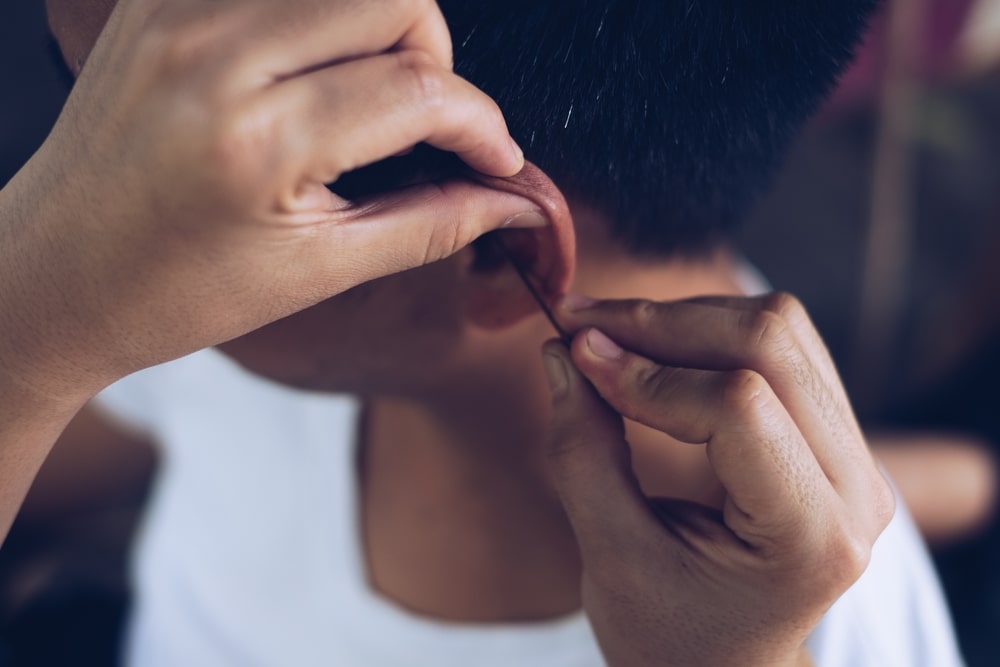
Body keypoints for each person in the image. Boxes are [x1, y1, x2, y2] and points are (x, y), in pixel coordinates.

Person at [0, 0, 965, 665]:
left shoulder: (830, 635)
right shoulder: (244, 328)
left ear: (497, 251)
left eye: (165, 152)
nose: (82, 191)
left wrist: (28, 328)